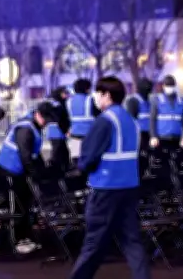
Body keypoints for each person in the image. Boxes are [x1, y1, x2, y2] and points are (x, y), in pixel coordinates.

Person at [70, 76, 149, 279]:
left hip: (105, 188)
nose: (95, 98)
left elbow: (88, 157)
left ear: (107, 95)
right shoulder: (132, 122)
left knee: (93, 242)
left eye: (98, 93)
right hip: (129, 187)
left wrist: (81, 167)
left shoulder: (104, 121)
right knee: (132, 241)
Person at [0, 102, 53, 255]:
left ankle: (24, 237)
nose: (46, 123)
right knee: (16, 206)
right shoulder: (25, 128)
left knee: (25, 204)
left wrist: (42, 170)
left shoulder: (35, 127)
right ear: (37, 114)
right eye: (45, 119)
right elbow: (25, 156)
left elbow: (34, 154)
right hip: (10, 170)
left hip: (20, 171)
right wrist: (34, 174)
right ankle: (14, 241)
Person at [149, 75, 183, 152]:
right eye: (168, 85)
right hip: (161, 138)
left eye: (171, 85)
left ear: (175, 86)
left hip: (177, 137)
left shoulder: (181, 101)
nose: (169, 88)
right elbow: (152, 119)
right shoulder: (157, 100)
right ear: (163, 86)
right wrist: (153, 136)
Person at [125, 78, 153, 177]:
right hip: (139, 134)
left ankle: (144, 173)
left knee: (148, 155)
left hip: (148, 134)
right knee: (139, 156)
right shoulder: (134, 101)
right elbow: (131, 119)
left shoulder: (148, 101)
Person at [45, 88, 72, 174]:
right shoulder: (57, 104)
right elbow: (60, 119)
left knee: (63, 151)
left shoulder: (54, 102)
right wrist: (65, 130)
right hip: (57, 131)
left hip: (56, 131)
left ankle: (64, 168)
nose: (66, 95)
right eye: (65, 93)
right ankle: (55, 170)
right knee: (57, 152)